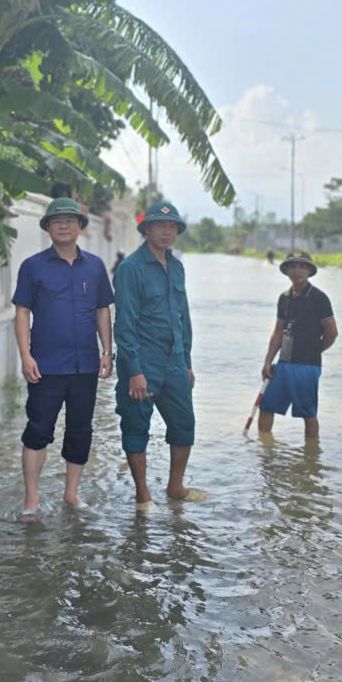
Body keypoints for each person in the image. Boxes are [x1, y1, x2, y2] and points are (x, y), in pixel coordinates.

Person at [13, 197, 114, 516]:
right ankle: (31, 500)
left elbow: (102, 311)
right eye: (57, 220)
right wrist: (25, 355)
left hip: (85, 365)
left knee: (80, 429)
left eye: (71, 220)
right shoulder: (33, 266)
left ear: (80, 227)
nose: (64, 224)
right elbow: (22, 312)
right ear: (47, 227)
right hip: (45, 365)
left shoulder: (95, 266)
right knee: (38, 429)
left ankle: (72, 495)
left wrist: (107, 352)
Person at [113, 201, 203, 508]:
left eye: (172, 227)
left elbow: (183, 318)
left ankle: (174, 486)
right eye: (160, 226)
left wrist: (187, 362)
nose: (167, 232)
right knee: (136, 427)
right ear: (146, 230)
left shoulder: (177, 266)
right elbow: (124, 324)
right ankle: (142, 492)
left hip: (175, 362)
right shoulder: (130, 269)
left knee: (184, 425)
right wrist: (134, 371)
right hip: (142, 363)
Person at [257, 250, 337, 440]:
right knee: (266, 406)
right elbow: (278, 331)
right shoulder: (284, 298)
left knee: (307, 413)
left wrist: (315, 351)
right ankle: (265, 455)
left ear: (309, 271)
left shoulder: (319, 298)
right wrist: (268, 361)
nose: (297, 271)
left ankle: (310, 456)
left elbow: (332, 333)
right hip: (283, 362)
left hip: (307, 366)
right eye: (293, 266)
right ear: (287, 271)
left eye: (302, 266)